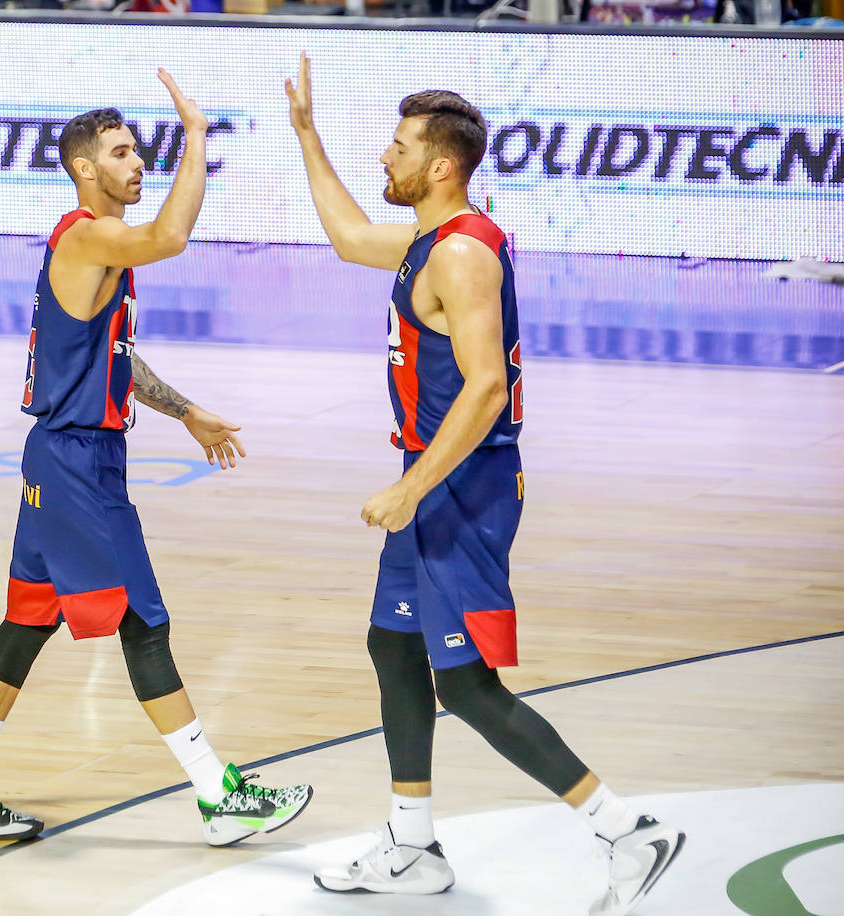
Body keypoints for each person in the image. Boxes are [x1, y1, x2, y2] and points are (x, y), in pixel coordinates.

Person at [284, 55, 684, 916]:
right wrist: (307, 136)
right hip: (429, 478)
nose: (382, 161)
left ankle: (624, 829)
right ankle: (414, 843)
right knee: (392, 649)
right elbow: (352, 239)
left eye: (395, 150)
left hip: (461, 485)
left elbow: (486, 388)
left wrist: (411, 488)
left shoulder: (463, 257)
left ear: (439, 166)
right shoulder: (432, 238)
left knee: (463, 685)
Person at [0, 70, 312, 847]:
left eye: (142, 151)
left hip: (62, 459)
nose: (140, 164)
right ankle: (217, 794)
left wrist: (186, 410)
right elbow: (171, 236)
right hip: (74, 466)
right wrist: (197, 137)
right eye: (123, 152)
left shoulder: (99, 250)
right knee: (143, 621)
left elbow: (114, 358)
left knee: (28, 621)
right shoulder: (86, 234)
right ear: (83, 169)